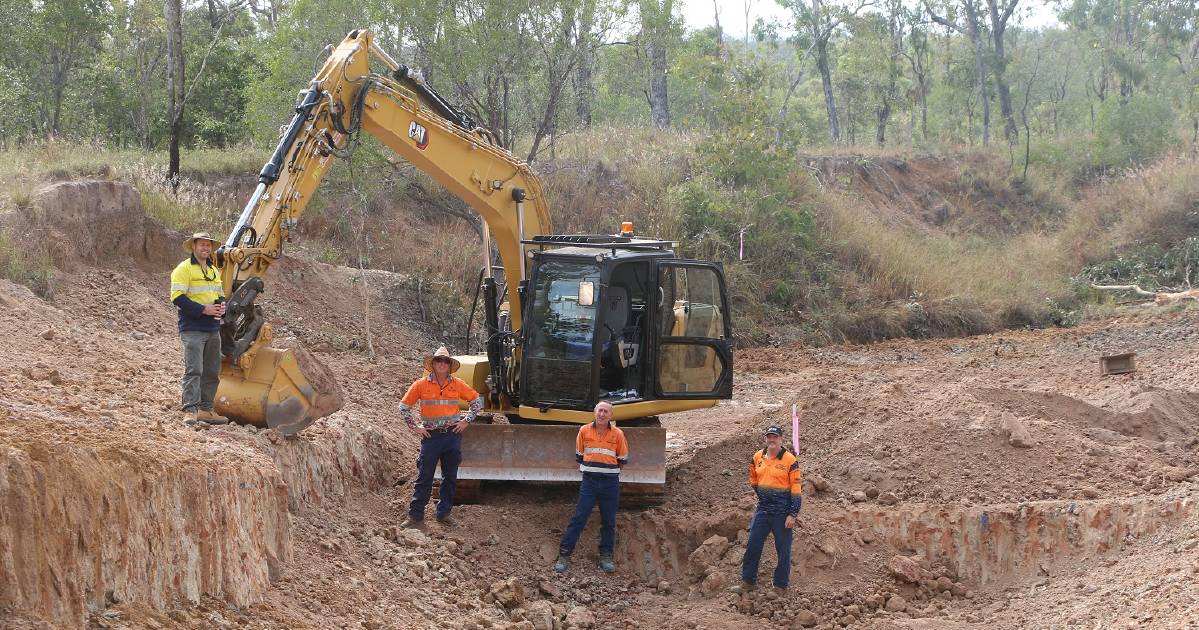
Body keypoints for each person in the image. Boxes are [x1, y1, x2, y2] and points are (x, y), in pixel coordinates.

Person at [399, 346, 483, 529]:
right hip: (431, 438)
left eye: (445, 361)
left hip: (452, 436)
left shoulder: (458, 384)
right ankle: (415, 517)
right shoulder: (420, 384)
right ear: (433, 364)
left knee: (450, 477)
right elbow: (404, 407)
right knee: (424, 476)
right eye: (439, 360)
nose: (442, 364)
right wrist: (415, 427)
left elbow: (477, 402)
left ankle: (444, 513)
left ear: (449, 365)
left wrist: (466, 421)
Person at [553, 401, 629, 574]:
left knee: (609, 521)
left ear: (611, 415)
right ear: (595, 412)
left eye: (606, 412)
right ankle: (564, 555)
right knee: (579, 518)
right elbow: (579, 456)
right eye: (600, 411)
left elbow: (622, 459)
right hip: (589, 482)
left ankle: (606, 556)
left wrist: (608, 472)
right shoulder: (584, 431)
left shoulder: (618, 434)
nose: (602, 414)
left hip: (610, 483)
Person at [170, 232, 228, 426]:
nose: (206, 248)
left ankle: (206, 409)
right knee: (194, 369)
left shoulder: (213, 271)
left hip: (212, 328)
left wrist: (222, 306)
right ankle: (190, 410)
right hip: (193, 327)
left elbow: (218, 295)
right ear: (193, 246)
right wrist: (204, 309)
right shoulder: (183, 269)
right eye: (202, 245)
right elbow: (177, 298)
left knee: (212, 370)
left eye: (208, 245)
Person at [741, 425, 802, 592]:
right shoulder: (757, 457)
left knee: (783, 550)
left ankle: (780, 585)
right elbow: (753, 479)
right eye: (769, 436)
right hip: (763, 509)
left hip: (782, 512)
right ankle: (748, 581)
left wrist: (792, 513)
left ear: (781, 439)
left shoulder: (790, 460)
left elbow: (796, 489)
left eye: (775, 437)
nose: (772, 439)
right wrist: (763, 493)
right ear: (766, 439)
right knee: (753, 545)